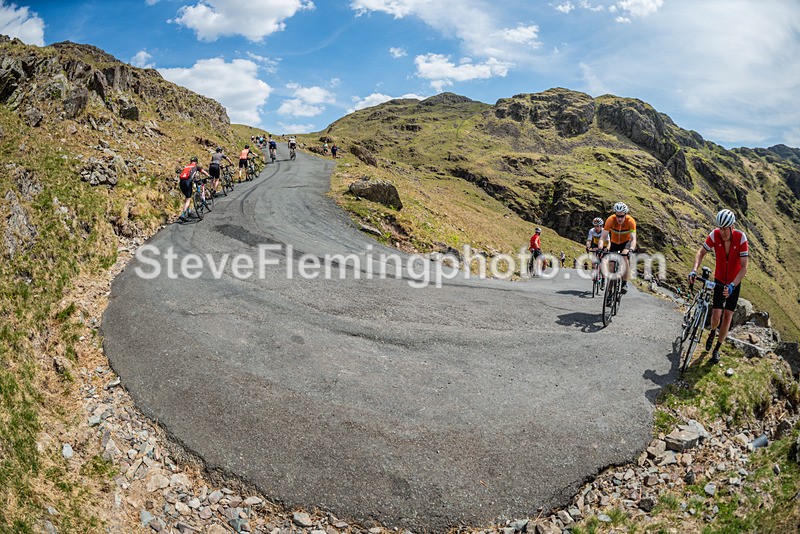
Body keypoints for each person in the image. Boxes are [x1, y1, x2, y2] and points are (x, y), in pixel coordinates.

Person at [688, 209, 749, 363]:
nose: (722, 232)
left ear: (732, 226)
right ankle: (712, 331)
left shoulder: (741, 238)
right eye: (720, 228)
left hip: (734, 282)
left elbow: (744, 267)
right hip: (720, 279)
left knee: (727, 316)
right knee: (716, 316)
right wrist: (694, 269)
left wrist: (732, 285)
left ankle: (716, 349)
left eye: (725, 228)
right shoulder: (714, 235)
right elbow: (701, 252)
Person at [600, 202, 637, 294]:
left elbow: (633, 239)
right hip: (614, 243)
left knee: (624, 258)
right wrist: (600, 248)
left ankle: (624, 283)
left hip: (626, 242)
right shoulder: (610, 220)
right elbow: (603, 237)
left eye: (622, 216)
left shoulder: (630, 221)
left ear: (625, 214)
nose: (619, 218)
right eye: (617, 216)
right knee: (611, 267)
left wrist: (631, 249)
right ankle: (609, 291)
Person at [177, 156, 211, 221]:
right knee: (188, 199)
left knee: (187, 197)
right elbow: (203, 172)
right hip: (188, 182)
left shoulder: (187, 167)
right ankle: (183, 214)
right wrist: (209, 176)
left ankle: (188, 211)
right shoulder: (196, 166)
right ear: (196, 162)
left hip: (181, 182)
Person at [586, 217, 606, 289]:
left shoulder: (604, 231)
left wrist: (606, 249)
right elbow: (589, 240)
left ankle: (603, 280)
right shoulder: (592, 231)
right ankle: (593, 269)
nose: (596, 228)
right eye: (595, 226)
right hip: (595, 244)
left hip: (604, 245)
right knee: (594, 256)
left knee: (603, 263)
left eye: (597, 226)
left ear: (601, 226)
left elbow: (608, 241)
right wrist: (588, 247)